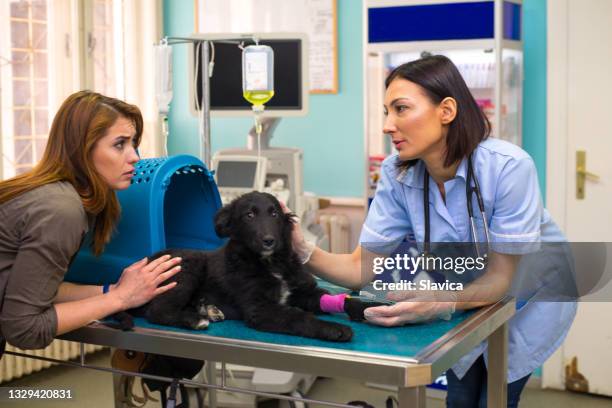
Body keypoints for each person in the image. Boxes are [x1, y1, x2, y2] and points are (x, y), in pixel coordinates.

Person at [288, 56, 576, 407]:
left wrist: (442, 301)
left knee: (494, 396)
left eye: (401, 109)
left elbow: (502, 278)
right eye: (386, 112)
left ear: (447, 110)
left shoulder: (508, 167)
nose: (387, 125)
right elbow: (360, 268)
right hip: (465, 289)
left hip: (531, 292)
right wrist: (302, 250)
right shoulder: (399, 174)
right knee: (460, 395)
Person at [0, 91, 182, 355]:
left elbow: (41, 289)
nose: (134, 157)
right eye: (120, 144)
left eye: (133, 144)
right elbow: (24, 328)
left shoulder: (58, 196)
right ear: (83, 150)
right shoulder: (61, 209)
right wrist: (119, 299)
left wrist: (113, 290)